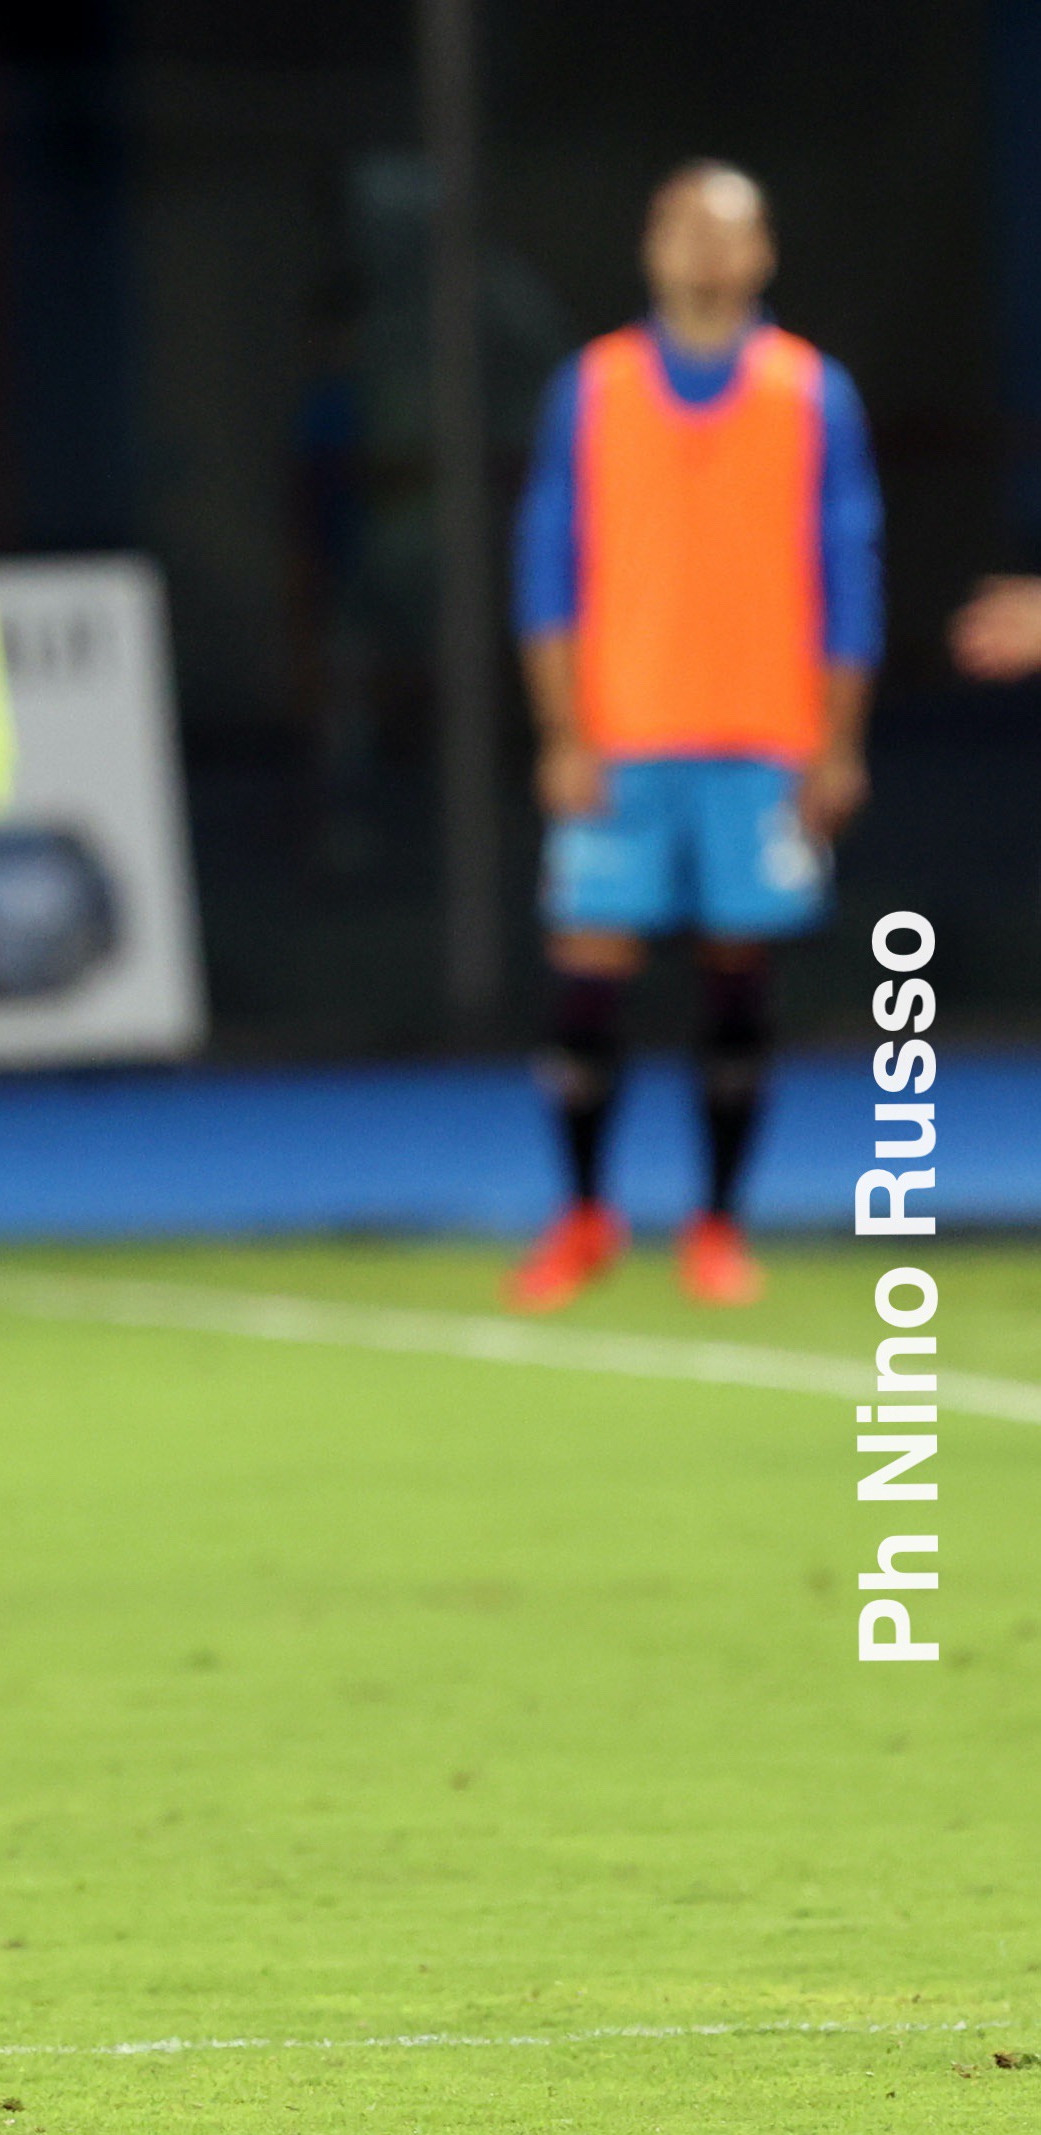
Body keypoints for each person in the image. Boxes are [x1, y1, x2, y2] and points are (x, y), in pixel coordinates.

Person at [505, 160, 880, 1313]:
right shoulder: (595, 387)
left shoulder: (811, 393)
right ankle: (584, 1212)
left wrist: (837, 741)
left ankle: (718, 1224)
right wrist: (563, 731)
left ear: (764, 251)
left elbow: (848, 575)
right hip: (623, 739)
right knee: (589, 971)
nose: (708, 251)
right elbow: (548, 568)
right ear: (651, 246)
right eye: (685, 228)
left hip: (764, 743)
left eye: (732, 231)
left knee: (738, 980)